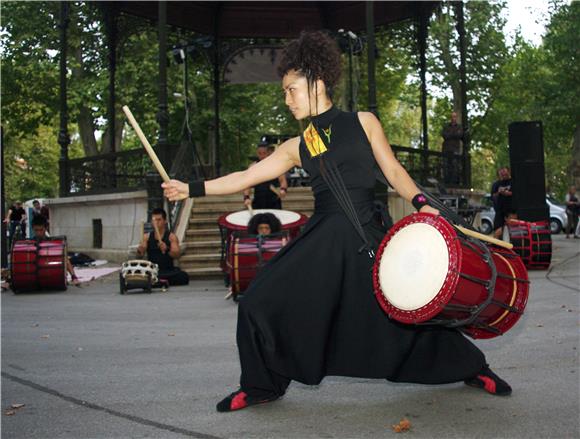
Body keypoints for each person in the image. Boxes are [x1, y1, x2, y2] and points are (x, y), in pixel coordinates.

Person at [162, 30, 512, 413]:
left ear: (317, 81)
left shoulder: (363, 122)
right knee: (256, 301)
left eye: (291, 89)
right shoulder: (298, 145)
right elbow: (246, 178)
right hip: (324, 239)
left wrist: (421, 202)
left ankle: (474, 367)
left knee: (407, 319)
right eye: (284, 92)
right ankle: (261, 385)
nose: (286, 99)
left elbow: (392, 171)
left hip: (369, 237)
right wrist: (191, 188)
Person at [136, 208, 189, 286]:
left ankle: (158, 282)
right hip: (153, 271)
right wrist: (140, 250)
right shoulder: (146, 237)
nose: (156, 222)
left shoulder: (171, 237)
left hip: (168, 271)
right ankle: (160, 282)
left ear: (165, 221)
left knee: (183, 276)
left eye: (159, 220)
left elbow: (177, 255)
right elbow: (139, 256)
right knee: (140, 275)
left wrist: (167, 249)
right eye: (154, 220)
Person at [31, 216, 80, 286]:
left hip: (49, 271)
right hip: (36, 273)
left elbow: (65, 259)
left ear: (46, 228)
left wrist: (73, 277)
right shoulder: (30, 244)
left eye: (41, 230)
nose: (38, 233)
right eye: (36, 230)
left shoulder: (52, 243)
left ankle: (74, 277)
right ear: (32, 229)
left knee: (64, 256)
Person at [243, 141, 288, 209]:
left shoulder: (276, 165)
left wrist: (283, 189)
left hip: (274, 201)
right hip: (258, 201)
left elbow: (282, 180)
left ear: (268, 153)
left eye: (264, 153)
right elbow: (247, 185)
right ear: (257, 153)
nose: (262, 156)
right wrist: (246, 197)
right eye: (259, 153)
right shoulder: (253, 167)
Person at [491, 167, 516, 239]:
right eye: (501, 173)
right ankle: (495, 247)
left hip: (511, 211)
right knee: (497, 231)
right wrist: (499, 192)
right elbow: (493, 196)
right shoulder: (496, 184)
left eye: (505, 172)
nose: (503, 174)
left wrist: (507, 193)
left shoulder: (513, 182)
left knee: (511, 231)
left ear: (509, 172)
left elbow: (516, 194)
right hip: (500, 211)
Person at [441, 111, 464, 186]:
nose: (453, 118)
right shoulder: (446, 126)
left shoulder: (459, 127)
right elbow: (445, 135)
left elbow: (460, 135)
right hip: (446, 149)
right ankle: (446, 181)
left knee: (455, 166)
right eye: (452, 117)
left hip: (455, 150)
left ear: (456, 118)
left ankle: (454, 182)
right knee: (446, 166)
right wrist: (454, 134)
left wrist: (450, 134)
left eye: (454, 117)